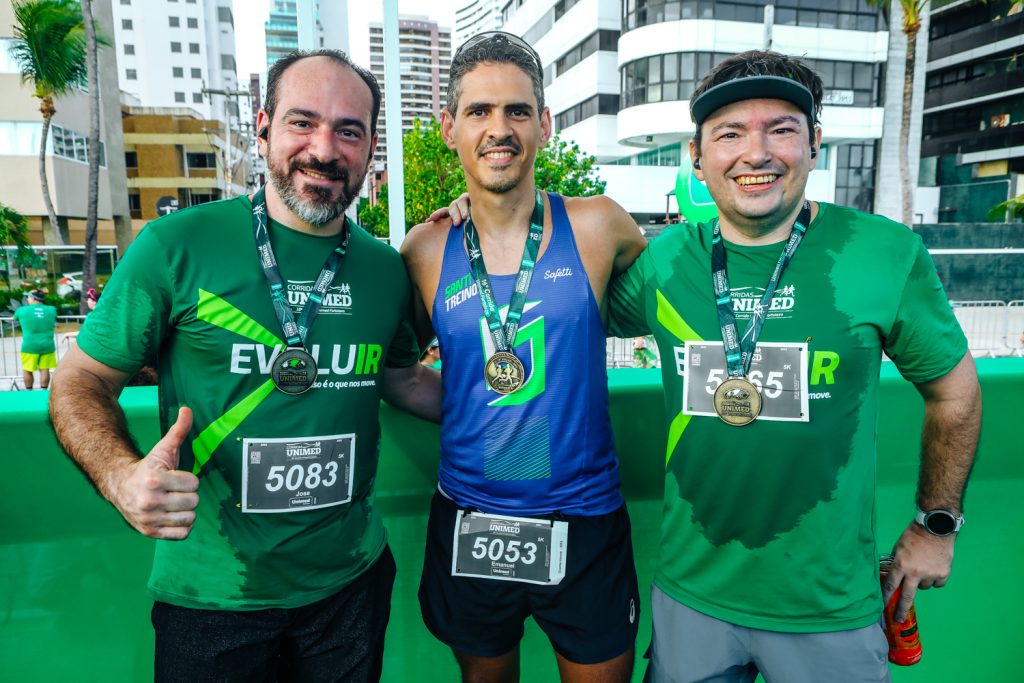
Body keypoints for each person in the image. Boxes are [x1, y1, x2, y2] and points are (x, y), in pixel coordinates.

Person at [49, 49, 440, 683]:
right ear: (262, 128)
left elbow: (404, 381)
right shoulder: (176, 246)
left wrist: (517, 408)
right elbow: (81, 379)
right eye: (302, 122)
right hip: (211, 597)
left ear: (370, 150)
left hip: (350, 586)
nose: (325, 148)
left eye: (349, 130)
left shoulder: (383, 268)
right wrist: (121, 478)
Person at [607, 51, 982, 683]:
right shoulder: (665, 260)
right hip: (692, 599)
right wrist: (482, 212)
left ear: (814, 144)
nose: (756, 153)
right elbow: (570, 296)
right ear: (697, 158)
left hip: (830, 609)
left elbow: (957, 394)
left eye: (780, 128)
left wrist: (935, 525)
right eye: (729, 133)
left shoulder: (885, 253)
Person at [400, 32, 648, 683]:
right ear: (451, 127)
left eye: (516, 110)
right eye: (479, 111)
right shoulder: (425, 248)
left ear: (543, 123)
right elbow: (397, 372)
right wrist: (463, 410)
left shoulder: (601, 226)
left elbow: (685, 307)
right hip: (471, 516)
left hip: (584, 517)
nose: (498, 128)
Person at [13, 288, 57, 390]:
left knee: (27, 369)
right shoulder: (52, 310)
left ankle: (29, 391)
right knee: (45, 369)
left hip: (30, 346)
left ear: (33, 298)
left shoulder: (22, 310)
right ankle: (43, 390)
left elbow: (14, 318)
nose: (27, 299)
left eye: (28, 297)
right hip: (47, 345)